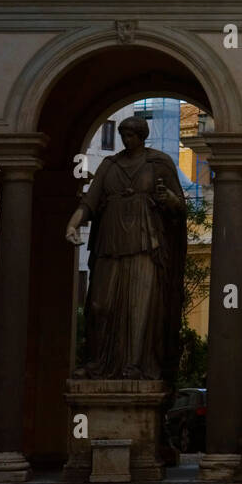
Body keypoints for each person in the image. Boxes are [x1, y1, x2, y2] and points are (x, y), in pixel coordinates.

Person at [66, 116, 187, 382]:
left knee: (140, 308)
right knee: (100, 305)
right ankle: (98, 362)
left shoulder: (159, 163)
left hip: (146, 244)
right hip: (110, 243)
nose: (126, 139)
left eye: (131, 135)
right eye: (123, 134)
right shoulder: (109, 165)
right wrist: (72, 225)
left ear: (142, 136)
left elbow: (180, 208)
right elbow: (89, 202)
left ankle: (136, 365)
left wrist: (169, 199)